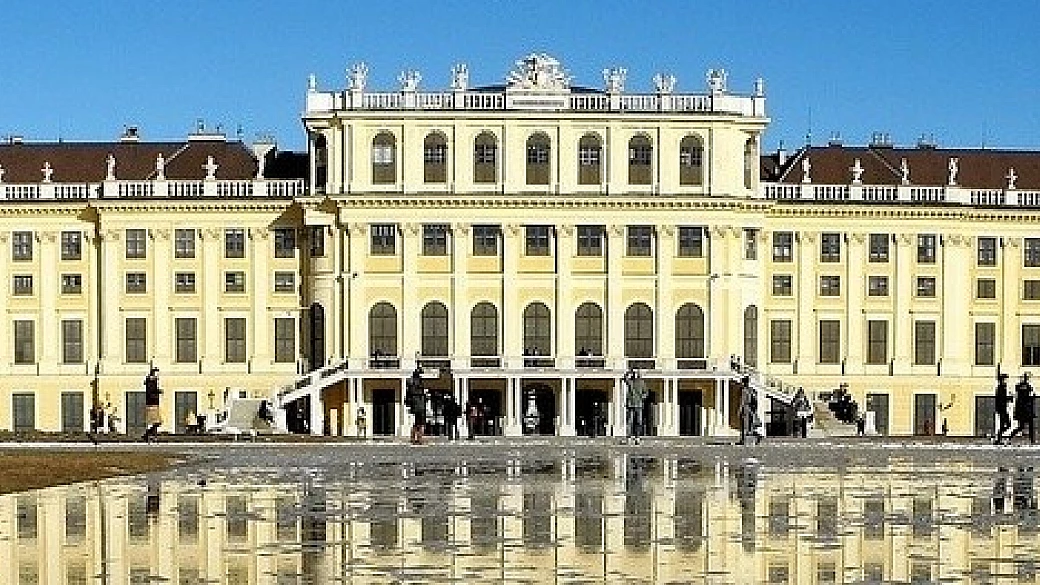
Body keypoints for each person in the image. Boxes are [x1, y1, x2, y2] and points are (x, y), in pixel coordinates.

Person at [1010, 372, 1036, 444]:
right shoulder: (1028, 387)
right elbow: (1030, 398)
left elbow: (1017, 397)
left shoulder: (1018, 386)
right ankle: (1032, 440)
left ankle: (1011, 436)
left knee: (1021, 426)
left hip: (1020, 409)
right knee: (1030, 425)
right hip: (1026, 410)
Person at [624, 369, 649, 444]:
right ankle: (628, 437)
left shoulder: (642, 382)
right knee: (629, 422)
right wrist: (629, 372)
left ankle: (637, 437)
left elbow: (646, 392)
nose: (635, 375)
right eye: (633, 373)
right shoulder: (630, 382)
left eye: (636, 373)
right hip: (631, 405)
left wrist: (642, 397)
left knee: (639, 422)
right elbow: (625, 378)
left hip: (639, 405)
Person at [739, 376, 764, 445]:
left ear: (744, 382)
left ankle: (744, 440)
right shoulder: (751, 390)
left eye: (742, 382)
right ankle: (756, 436)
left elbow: (743, 401)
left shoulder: (744, 390)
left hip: (746, 409)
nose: (741, 383)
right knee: (748, 426)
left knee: (744, 426)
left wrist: (740, 409)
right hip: (750, 409)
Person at [406, 367, 426, 444]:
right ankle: (418, 438)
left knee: (417, 423)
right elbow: (417, 391)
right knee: (420, 423)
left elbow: (409, 393)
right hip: (418, 404)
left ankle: (414, 438)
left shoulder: (411, 382)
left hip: (416, 404)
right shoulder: (416, 382)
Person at [142, 367, 162, 442]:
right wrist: (157, 392)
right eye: (157, 374)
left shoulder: (152, 381)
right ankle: (147, 435)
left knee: (156, 422)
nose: (158, 376)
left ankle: (150, 435)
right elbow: (151, 392)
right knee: (157, 422)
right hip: (152, 404)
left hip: (154, 403)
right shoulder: (151, 381)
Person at [995, 371, 1013, 444]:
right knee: (1007, 424)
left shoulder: (1002, 387)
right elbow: (1001, 398)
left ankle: (998, 439)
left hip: (1002, 408)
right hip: (1001, 409)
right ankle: (998, 439)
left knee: (1005, 424)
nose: (1006, 380)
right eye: (1005, 379)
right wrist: (1009, 398)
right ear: (1002, 380)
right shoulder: (1001, 388)